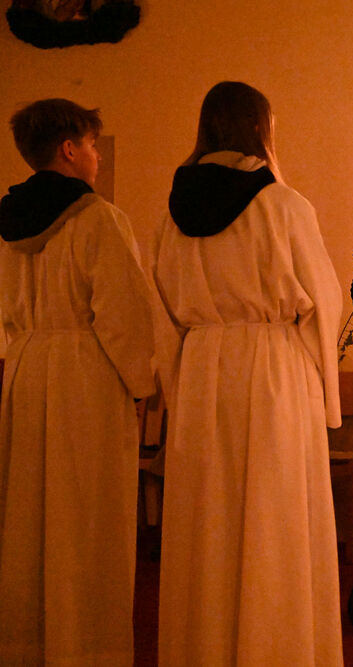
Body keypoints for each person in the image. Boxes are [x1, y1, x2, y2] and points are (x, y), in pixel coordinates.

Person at [152, 81, 344, 666]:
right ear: (261, 129)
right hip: (272, 369)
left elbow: (160, 311)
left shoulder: (172, 214)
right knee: (272, 518)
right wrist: (318, 384)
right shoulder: (283, 205)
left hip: (201, 369)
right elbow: (323, 300)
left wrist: (178, 385)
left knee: (206, 525)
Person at [0, 98, 156, 664]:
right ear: (69, 149)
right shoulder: (97, 218)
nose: (95, 156)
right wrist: (141, 384)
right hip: (84, 378)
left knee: (29, 519)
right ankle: (85, 648)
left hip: (26, 367)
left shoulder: (7, 223)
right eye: (91, 145)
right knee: (86, 521)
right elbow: (125, 316)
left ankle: (29, 646)